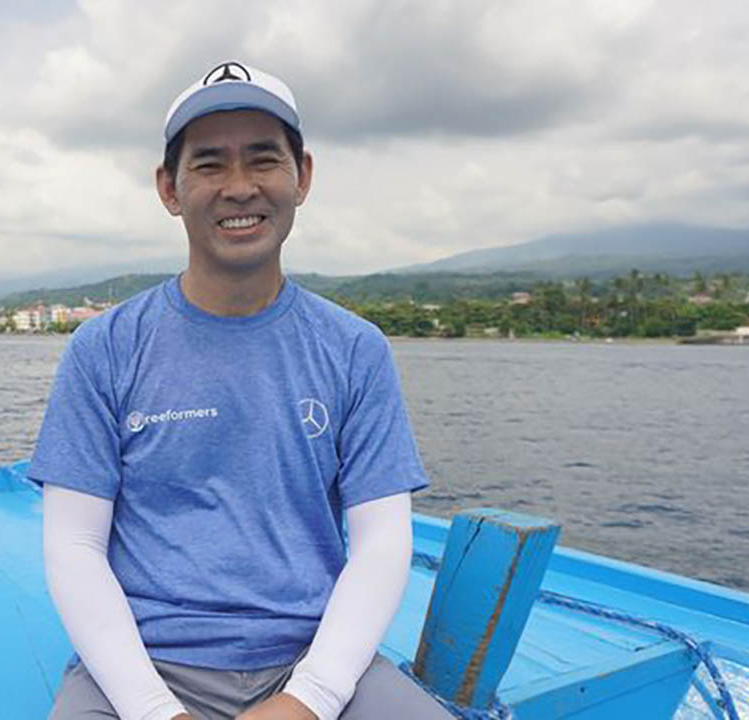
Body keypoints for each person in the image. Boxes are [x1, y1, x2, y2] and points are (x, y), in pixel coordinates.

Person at [29, 61, 449, 720]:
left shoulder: (354, 350)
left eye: (263, 160)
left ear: (302, 176)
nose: (240, 187)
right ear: (169, 188)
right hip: (144, 662)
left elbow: (382, 541)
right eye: (209, 165)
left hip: (310, 657)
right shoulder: (105, 349)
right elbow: (75, 544)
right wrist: (150, 708)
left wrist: (310, 699)